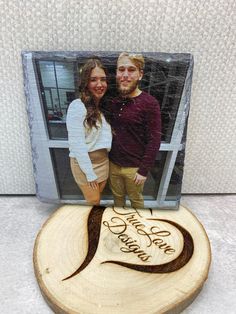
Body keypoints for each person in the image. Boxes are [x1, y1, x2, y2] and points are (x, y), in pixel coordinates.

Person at [109, 52, 161, 209]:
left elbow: (154, 139)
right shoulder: (114, 101)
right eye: (121, 69)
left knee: (136, 200)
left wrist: (144, 170)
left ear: (140, 74)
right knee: (117, 199)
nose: (125, 75)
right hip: (113, 164)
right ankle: (119, 227)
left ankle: (139, 229)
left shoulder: (149, 103)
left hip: (134, 169)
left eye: (131, 70)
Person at [66, 58, 112, 205]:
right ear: (86, 82)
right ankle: (89, 226)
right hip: (85, 164)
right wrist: (90, 174)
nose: (100, 84)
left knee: (97, 201)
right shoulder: (77, 107)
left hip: (103, 162)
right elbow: (77, 144)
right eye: (94, 80)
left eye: (103, 79)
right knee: (94, 201)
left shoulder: (103, 107)